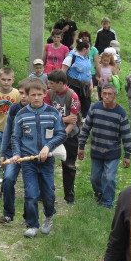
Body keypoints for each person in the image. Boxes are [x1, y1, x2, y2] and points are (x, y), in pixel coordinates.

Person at [9, 78, 66, 238]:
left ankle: (48, 216)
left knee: (48, 195)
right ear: (26, 95)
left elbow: (61, 134)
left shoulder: (53, 113)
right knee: (31, 194)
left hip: (47, 161)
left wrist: (48, 147)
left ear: (45, 94)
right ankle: (32, 224)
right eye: (32, 94)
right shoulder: (21, 115)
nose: (36, 98)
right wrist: (16, 153)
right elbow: (15, 137)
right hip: (28, 162)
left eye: (39, 94)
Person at [77, 84, 131, 208]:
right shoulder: (95, 108)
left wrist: (127, 154)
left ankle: (107, 202)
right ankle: (99, 194)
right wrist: (81, 147)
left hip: (112, 152)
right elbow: (86, 128)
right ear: (101, 94)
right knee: (94, 178)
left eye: (109, 94)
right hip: (96, 150)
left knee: (109, 178)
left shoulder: (120, 113)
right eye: (104, 93)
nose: (106, 96)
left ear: (115, 96)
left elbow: (126, 135)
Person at [45, 70, 81, 205]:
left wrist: (62, 135)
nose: (49, 85)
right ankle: (47, 193)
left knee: (69, 165)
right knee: (47, 163)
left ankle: (69, 196)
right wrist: (64, 118)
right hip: (52, 134)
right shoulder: (49, 94)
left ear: (61, 83)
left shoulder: (73, 96)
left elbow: (73, 121)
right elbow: (48, 116)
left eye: (52, 83)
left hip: (69, 135)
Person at [0, 81, 29, 224]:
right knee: (8, 179)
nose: (23, 96)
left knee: (30, 185)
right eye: (20, 93)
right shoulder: (14, 110)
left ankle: (29, 216)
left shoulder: (38, 110)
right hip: (11, 151)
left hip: (29, 152)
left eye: (26, 93)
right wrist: (3, 153)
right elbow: (7, 132)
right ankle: (8, 213)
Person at [62, 40, 94, 117]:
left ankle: (84, 122)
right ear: (84, 49)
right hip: (73, 86)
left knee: (86, 105)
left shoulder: (87, 57)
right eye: (89, 48)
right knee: (74, 105)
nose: (90, 50)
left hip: (85, 88)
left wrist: (91, 84)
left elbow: (88, 72)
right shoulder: (71, 57)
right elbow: (62, 72)